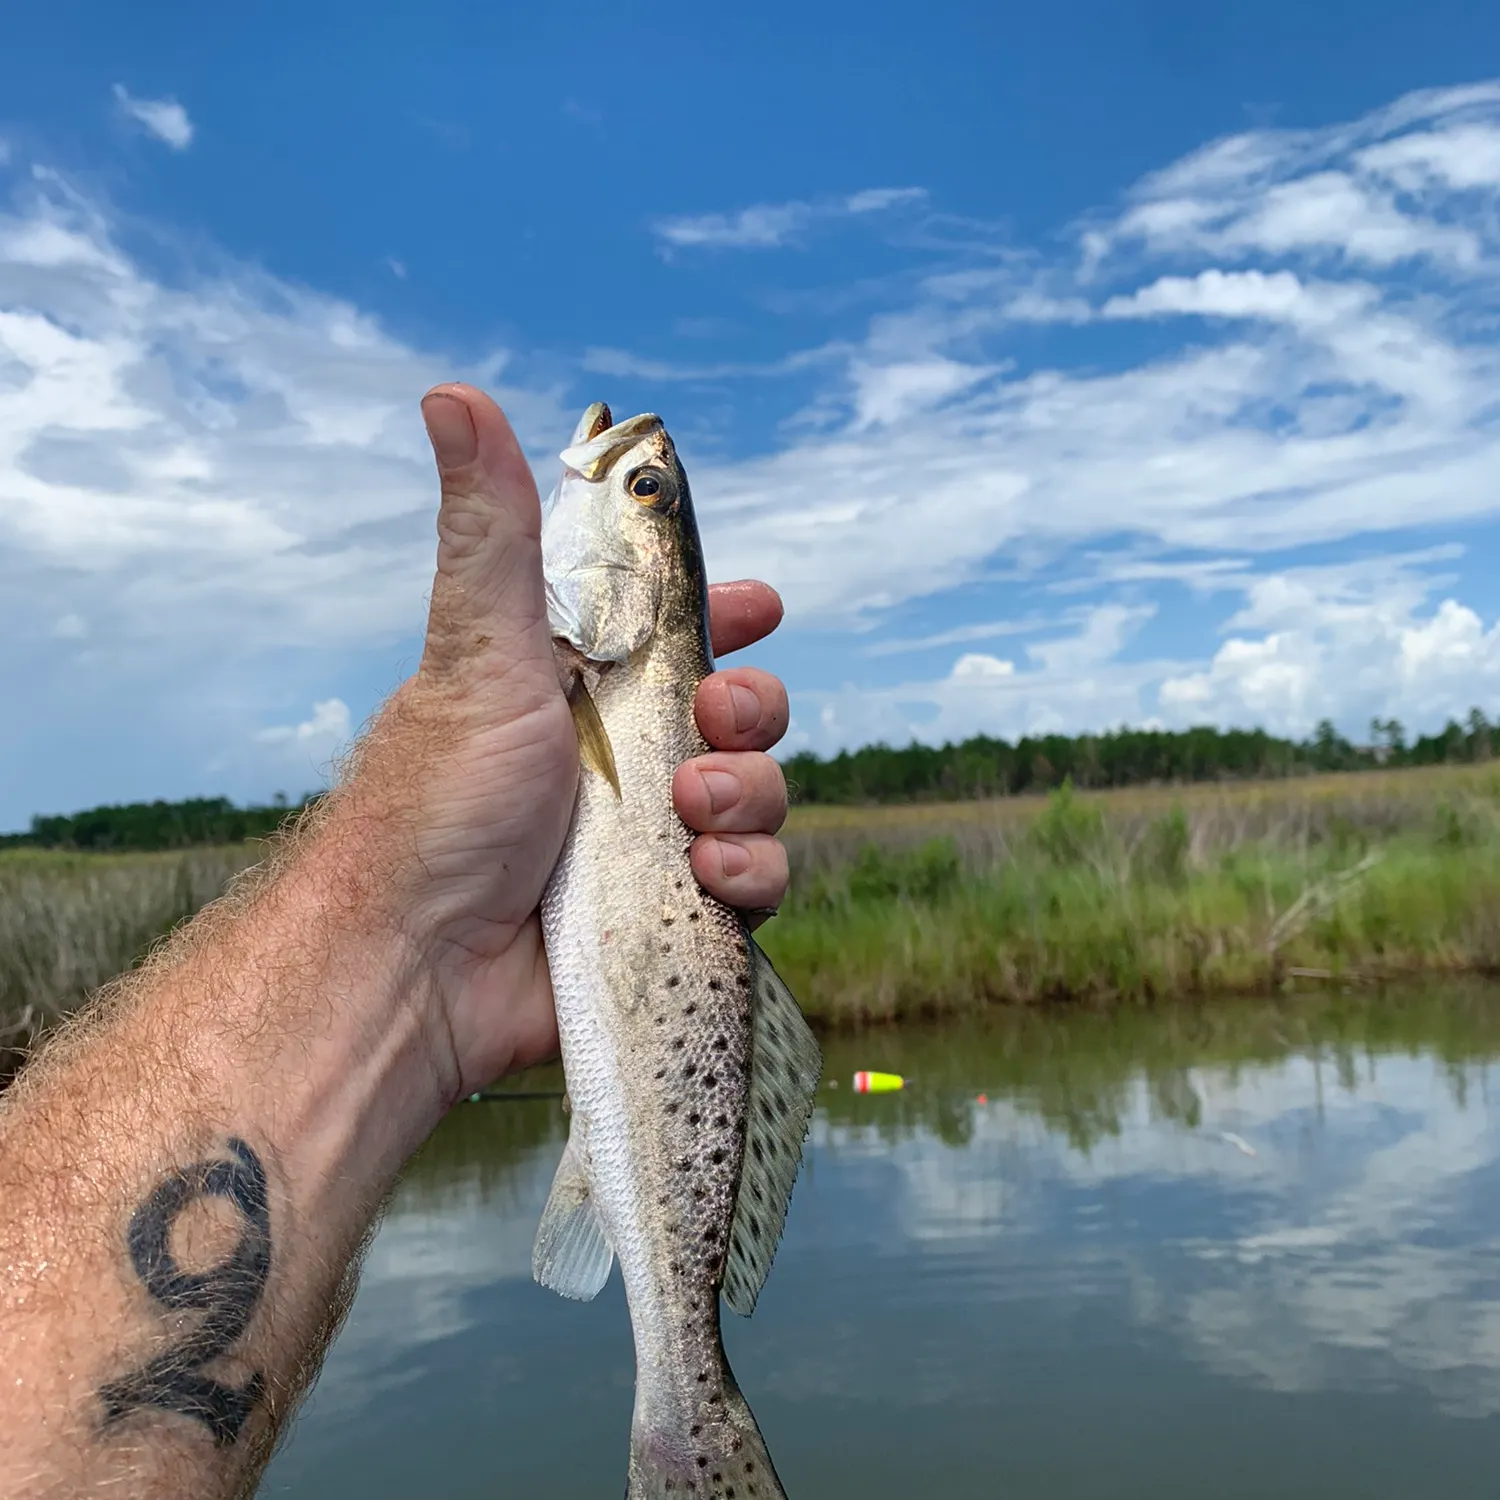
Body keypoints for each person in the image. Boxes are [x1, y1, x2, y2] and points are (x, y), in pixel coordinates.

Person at [0, 386, 794, 1498]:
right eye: (647, 487)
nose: (624, 469)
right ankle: (684, 1403)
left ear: (647, 586)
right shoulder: (587, 680)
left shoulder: (615, 685)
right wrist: (408, 936)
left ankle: (683, 1403)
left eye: (643, 490)